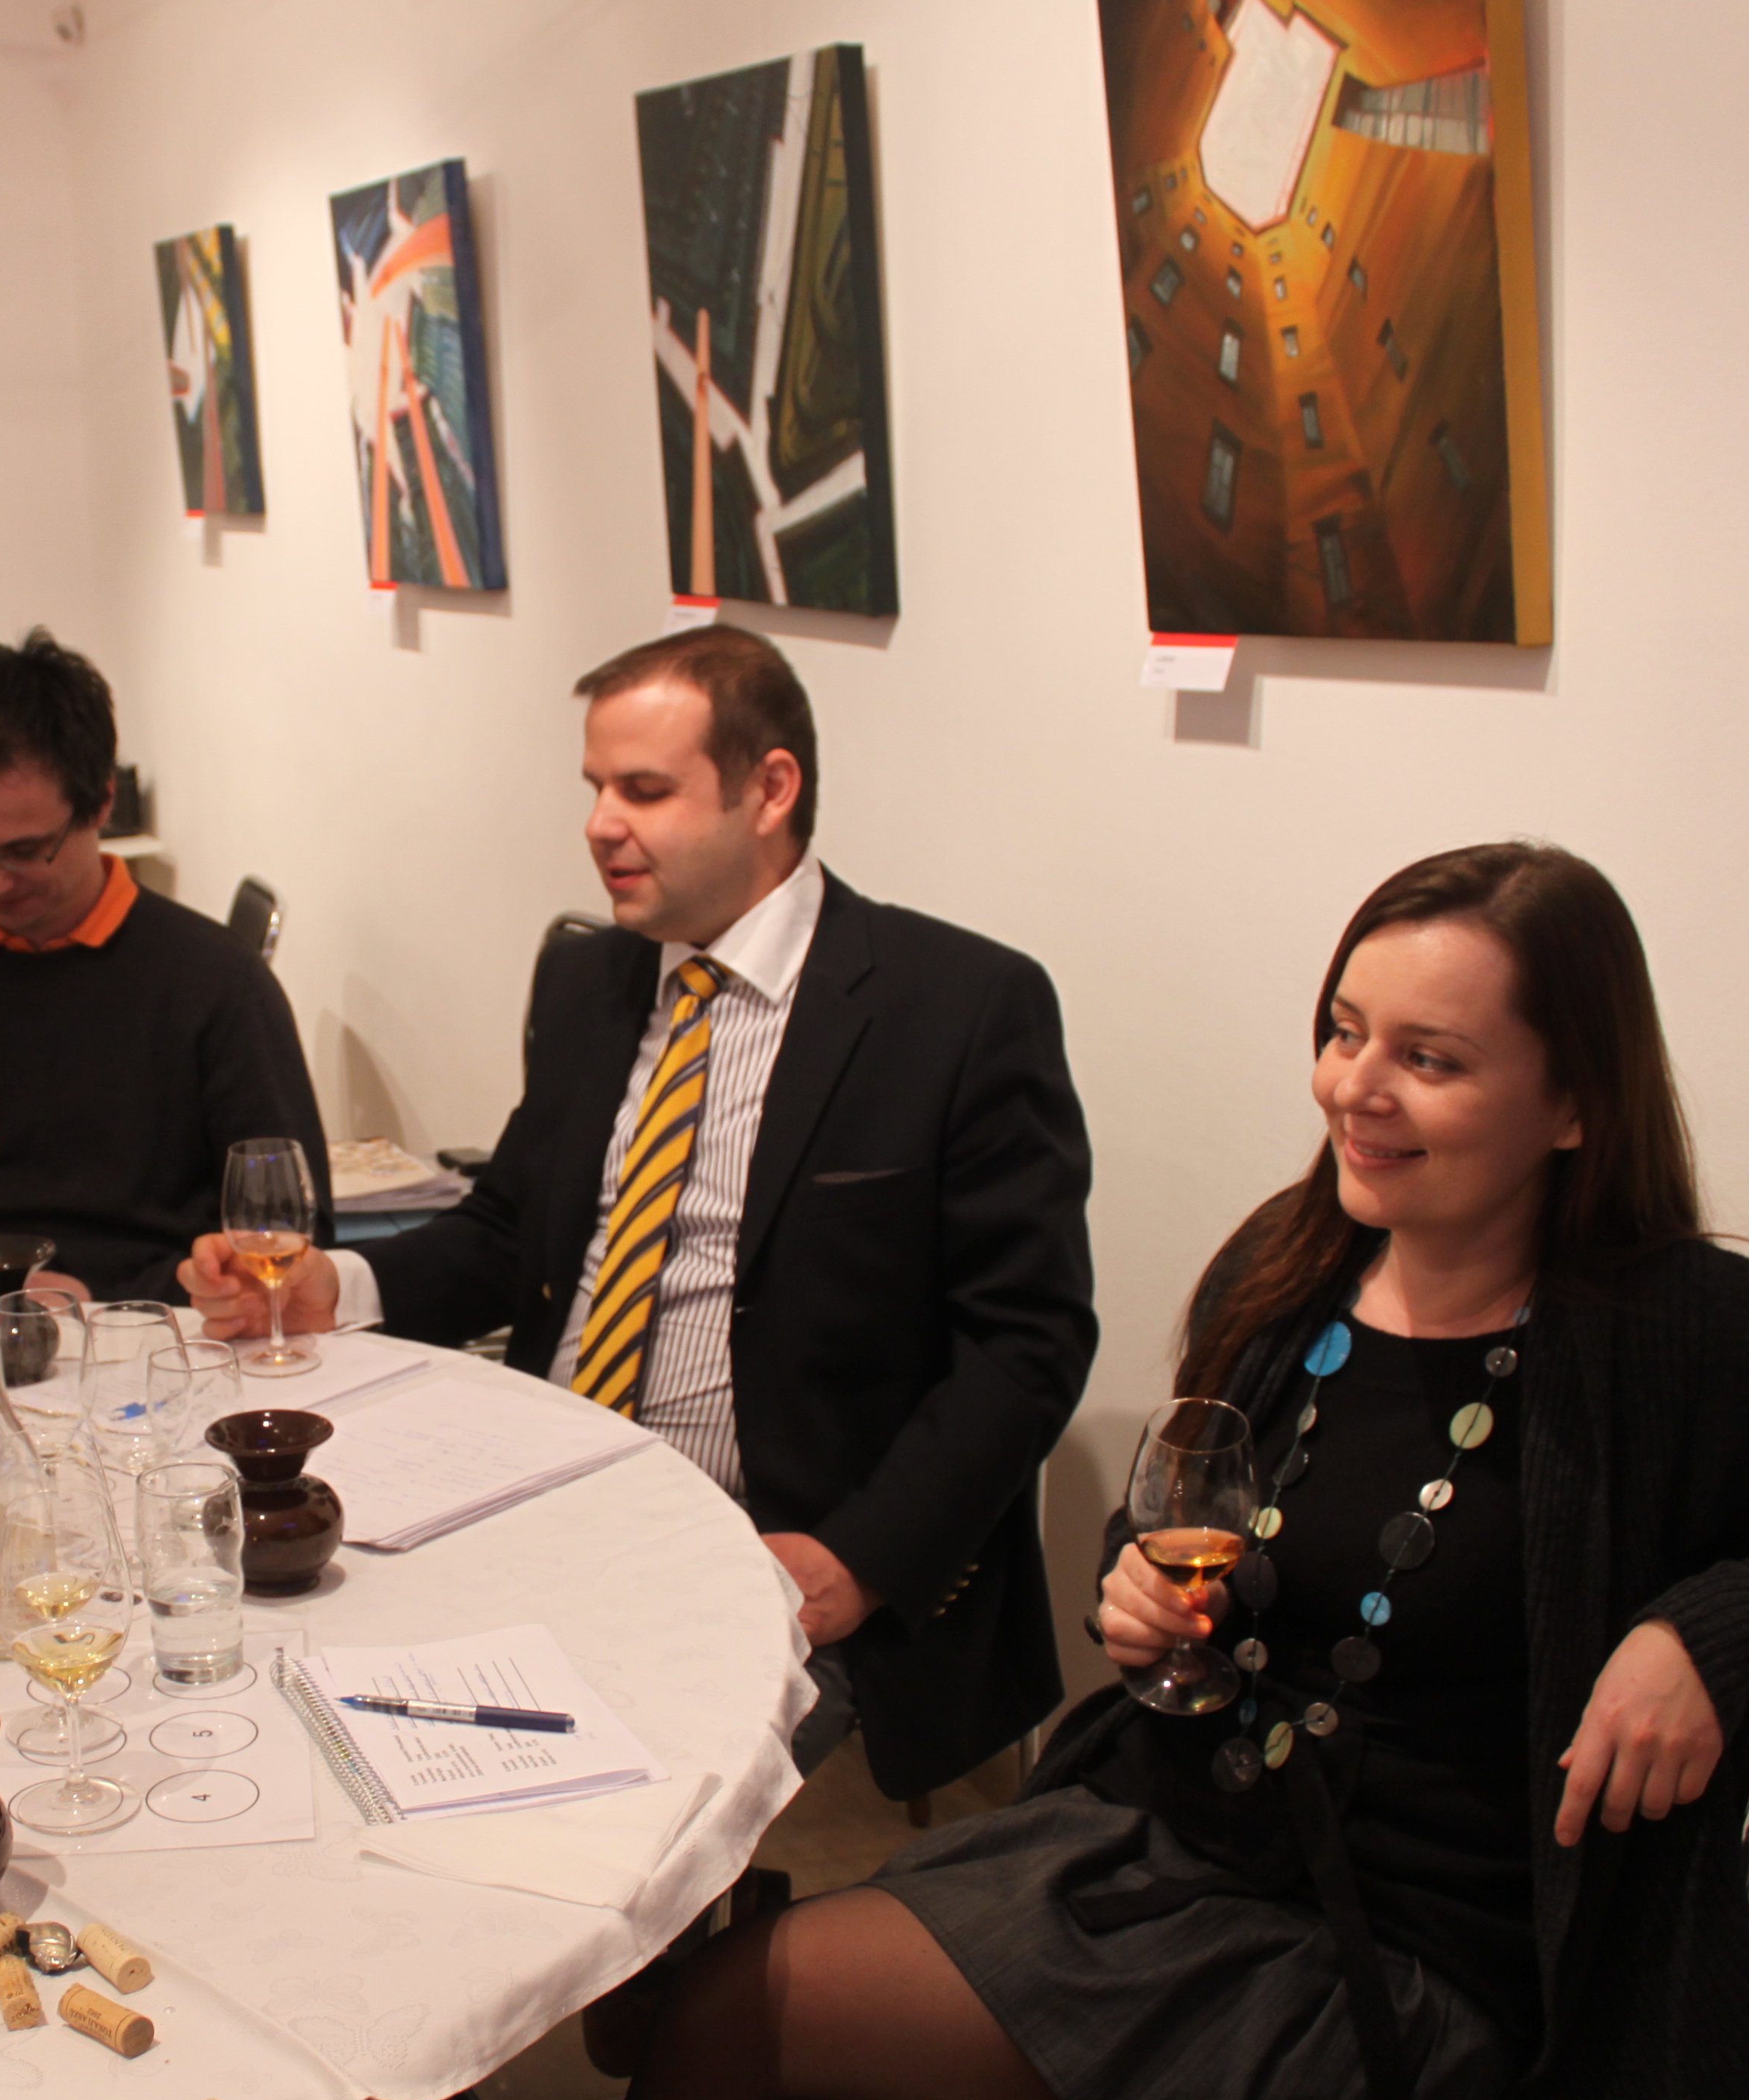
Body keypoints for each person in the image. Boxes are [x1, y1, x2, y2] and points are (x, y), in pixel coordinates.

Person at [537, 843, 1749, 2100]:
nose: (1355, 1087)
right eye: (1344, 1031)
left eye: (1429, 1058)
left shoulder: (1687, 1333)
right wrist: (1135, 1588)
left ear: (1575, 1103)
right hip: (1171, 1857)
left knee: (719, 2012)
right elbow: (1192, 1508)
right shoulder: (1295, 1265)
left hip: (1401, 1981)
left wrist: (1704, 1632)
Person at [181, 625, 1097, 1802]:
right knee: (274, 1696)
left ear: (771, 790)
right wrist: (336, 1287)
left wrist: (859, 1560)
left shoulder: (956, 1008)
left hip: (771, 1545)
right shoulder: (594, 979)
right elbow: (512, 1228)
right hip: (535, 1489)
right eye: (595, 787)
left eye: (645, 791)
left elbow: (1027, 1344)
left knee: (567, 1809)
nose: (600, 824)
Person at [0, 628, 329, 1304]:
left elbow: (291, 1232)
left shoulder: (218, 985)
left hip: (158, 1334)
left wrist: (101, 1302)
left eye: (25, 852)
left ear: (102, 803)